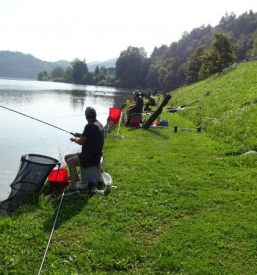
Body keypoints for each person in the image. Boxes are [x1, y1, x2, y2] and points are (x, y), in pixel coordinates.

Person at [64, 107, 105, 195]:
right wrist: (80, 134)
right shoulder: (99, 124)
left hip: (91, 156)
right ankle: (77, 181)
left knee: (70, 161)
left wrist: (75, 139)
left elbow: (81, 142)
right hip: (93, 154)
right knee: (67, 157)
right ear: (95, 115)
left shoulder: (89, 125)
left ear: (86, 116)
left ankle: (73, 188)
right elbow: (91, 136)